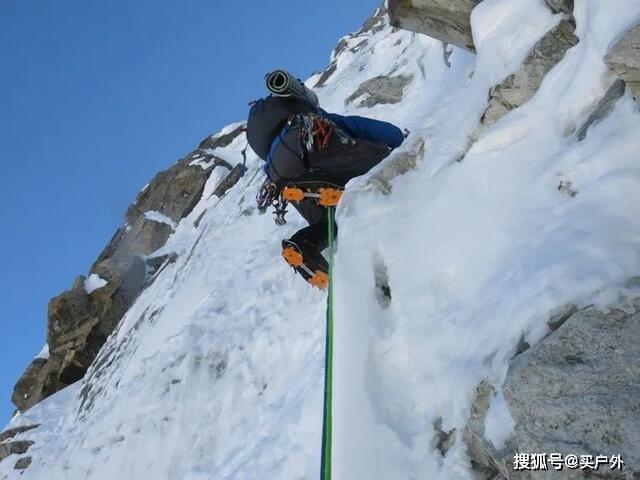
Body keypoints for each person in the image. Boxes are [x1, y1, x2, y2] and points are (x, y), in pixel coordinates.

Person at [247, 94, 405, 288]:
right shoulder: (319, 121)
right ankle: (343, 193)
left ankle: (303, 244)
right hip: (339, 166)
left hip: (293, 185)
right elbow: (371, 129)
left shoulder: (272, 165)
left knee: (327, 223)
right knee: (376, 162)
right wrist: (400, 140)